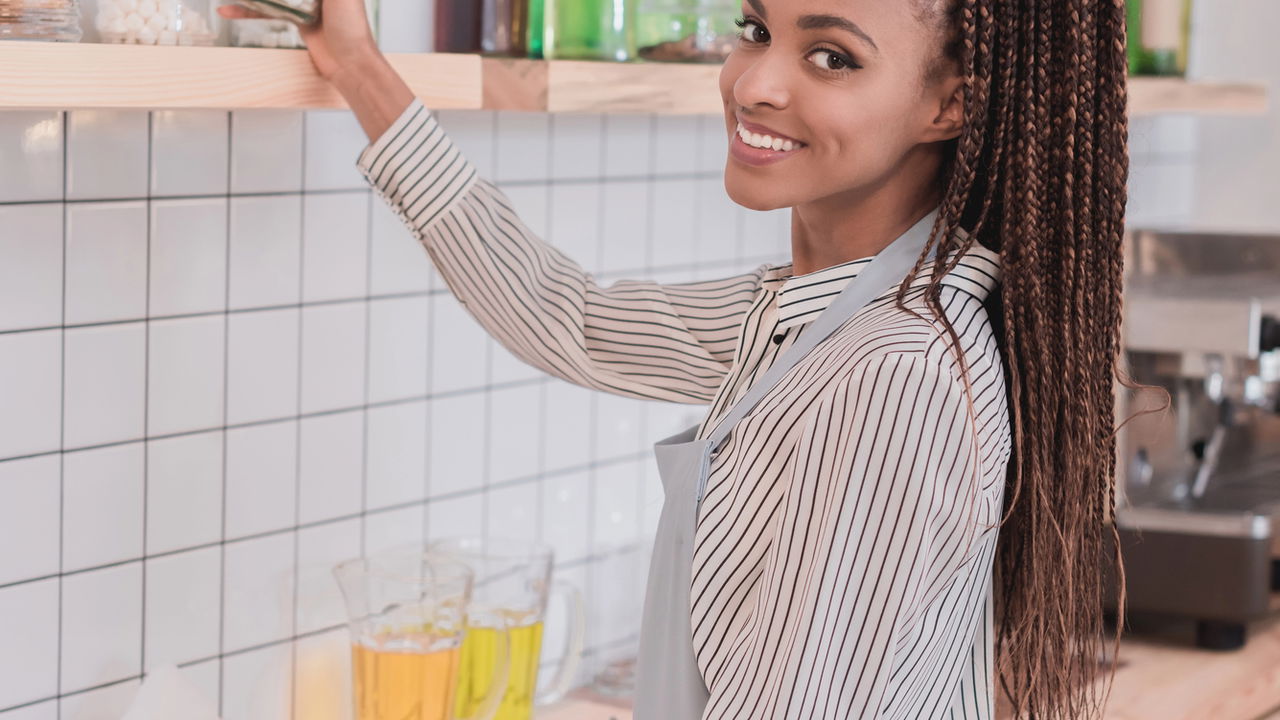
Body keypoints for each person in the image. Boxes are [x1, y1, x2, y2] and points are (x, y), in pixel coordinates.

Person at [219, 0, 1133, 717]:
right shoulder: (819, 320)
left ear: (952, 103)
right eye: (756, 30)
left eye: (832, 57)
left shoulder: (892, 374)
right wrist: (360, 69)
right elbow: (566, 315)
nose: (755, 83)